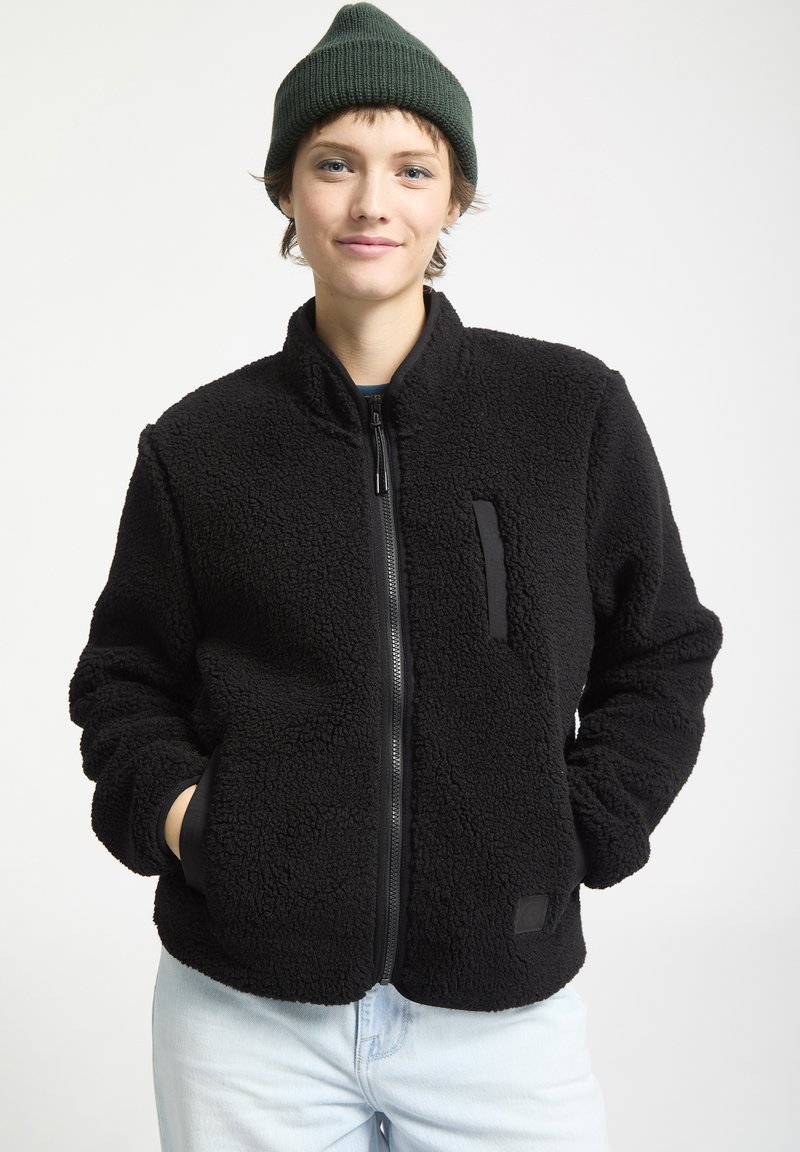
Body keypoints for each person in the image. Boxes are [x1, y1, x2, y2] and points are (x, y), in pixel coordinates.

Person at [68, 4, 724, 1149]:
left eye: (411, 169)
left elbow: (660, 647)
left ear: (453, 198)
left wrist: (579, 826)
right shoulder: (198, 448)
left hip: (498, 1011)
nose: (372, 202)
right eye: (334, 164)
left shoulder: (567, 414)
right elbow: (123, 682)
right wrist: (194, 824)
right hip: (244, 1018)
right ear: (285, 191)